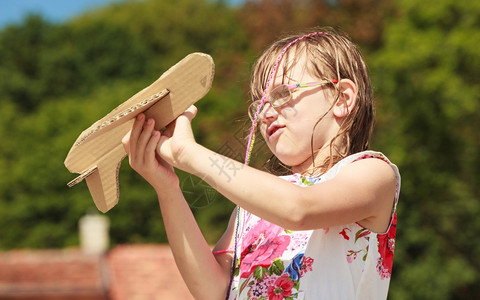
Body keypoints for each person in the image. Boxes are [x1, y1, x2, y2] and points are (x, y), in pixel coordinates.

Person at [122, 28, 401, 300]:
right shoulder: (250, 209)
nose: (265, 113)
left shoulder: (372, 172)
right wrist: (167, 187)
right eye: (259, 104)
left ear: (342, 99)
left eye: (281, 94)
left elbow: (299, 208)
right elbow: (212, 291)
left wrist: (188, 154)